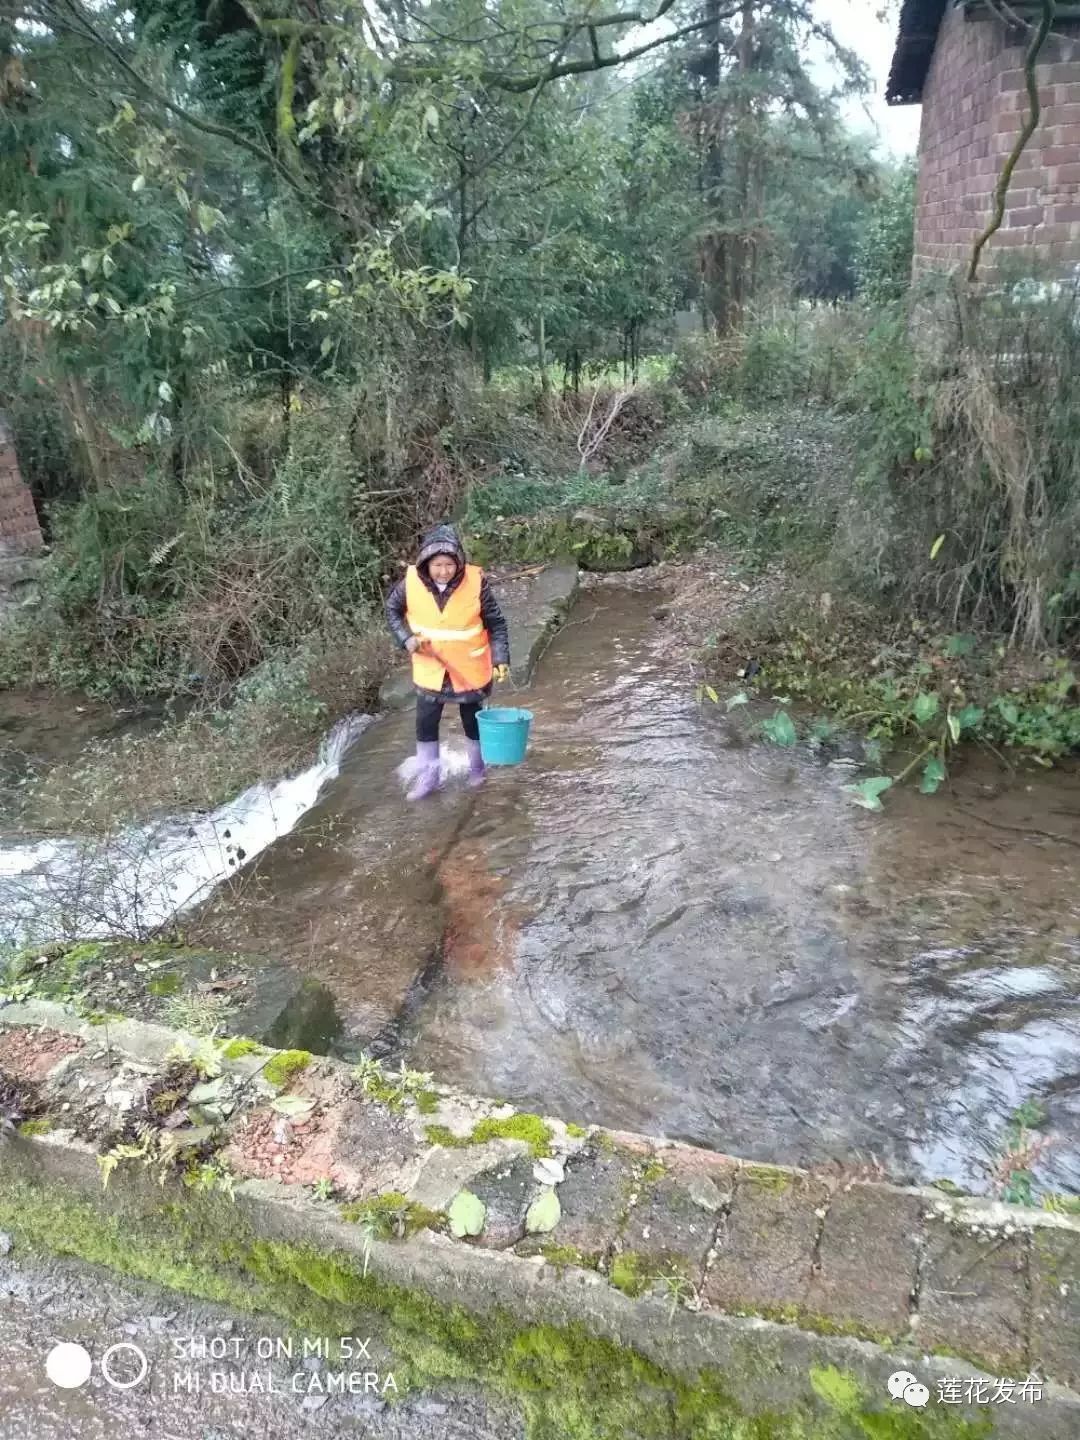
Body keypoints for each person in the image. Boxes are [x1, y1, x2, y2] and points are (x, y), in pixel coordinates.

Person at [385, 524, 510, 799]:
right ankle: (430, 776)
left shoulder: (477, 583)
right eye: (438, 565)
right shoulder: (410, 584)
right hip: (431, 668)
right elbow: (392, 610)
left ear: (459, 563)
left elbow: (496, 623)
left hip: (468, 668)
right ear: (426, 564)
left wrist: (501, 657)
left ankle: (477, 769)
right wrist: (406, 638)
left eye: (449, 564)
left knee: (472, 720)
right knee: (426, 722)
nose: (444, 571)